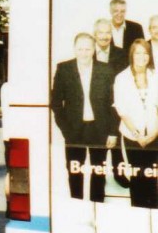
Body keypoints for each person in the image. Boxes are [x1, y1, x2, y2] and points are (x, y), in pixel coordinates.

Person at [51, 32, 118, 202]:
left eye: (88, 49)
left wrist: (113, 132)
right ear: (74, 49)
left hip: (99, 129)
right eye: (80, 49)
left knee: (98, 174)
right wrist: (66, 130)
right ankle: (77, 211)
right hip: (74, 131)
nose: (84, 53)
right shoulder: (64, 69)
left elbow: (113, 104)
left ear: (94, 49)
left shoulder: (106, 70)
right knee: (75, 174)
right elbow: (56, 103)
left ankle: (97, 211)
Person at [114, 39, 158, 209]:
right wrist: (138, 136)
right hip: (132, 136)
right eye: (138, 52)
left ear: (149, 56)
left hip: (154, 135)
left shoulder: (155, 76)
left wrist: (153, 134)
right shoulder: (121, 78)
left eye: (145, 53)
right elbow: (121, 110)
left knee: (152, 178)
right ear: (132, 54)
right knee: (137, 178)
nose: (142, 56)